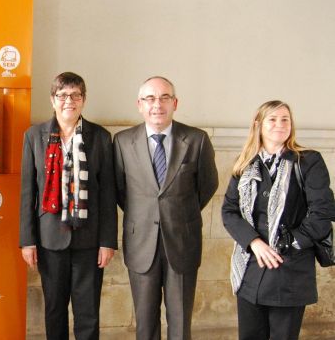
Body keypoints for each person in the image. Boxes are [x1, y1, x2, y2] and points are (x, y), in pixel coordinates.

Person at [113, 76, 218, 340]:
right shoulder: (123, 141)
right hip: (141, 243)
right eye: (149, 98)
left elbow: (207, 186)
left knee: (180, 322)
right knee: (145, 322)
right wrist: (146, 214)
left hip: (182, 241)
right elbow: (119, 190)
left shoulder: (196, 139)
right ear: (139, 104)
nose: (157, 104)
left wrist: (178, 214)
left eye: (164, 98)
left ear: (175, 103)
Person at [221, 100, 335, 340]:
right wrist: (254, 242)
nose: (280, 124)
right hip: (251, 270)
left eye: (285, 119)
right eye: (272, 119)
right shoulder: (245, 165)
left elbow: (322, 213)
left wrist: (288, 243)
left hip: (290, 270)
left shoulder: (308, 161)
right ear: (258, 125)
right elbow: (229, 211)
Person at [19, 72, 118, 340]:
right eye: (62, 95)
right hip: (49, 240)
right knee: (54, 310)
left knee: (88, 312)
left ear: (83, 100)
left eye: (75, 95)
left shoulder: (100, 137)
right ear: (53, 100)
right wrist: (27, 241)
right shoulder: (34, 136)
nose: (69, 101)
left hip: (89, 240)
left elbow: (108, 193)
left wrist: (108, 241)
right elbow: (28, 192)